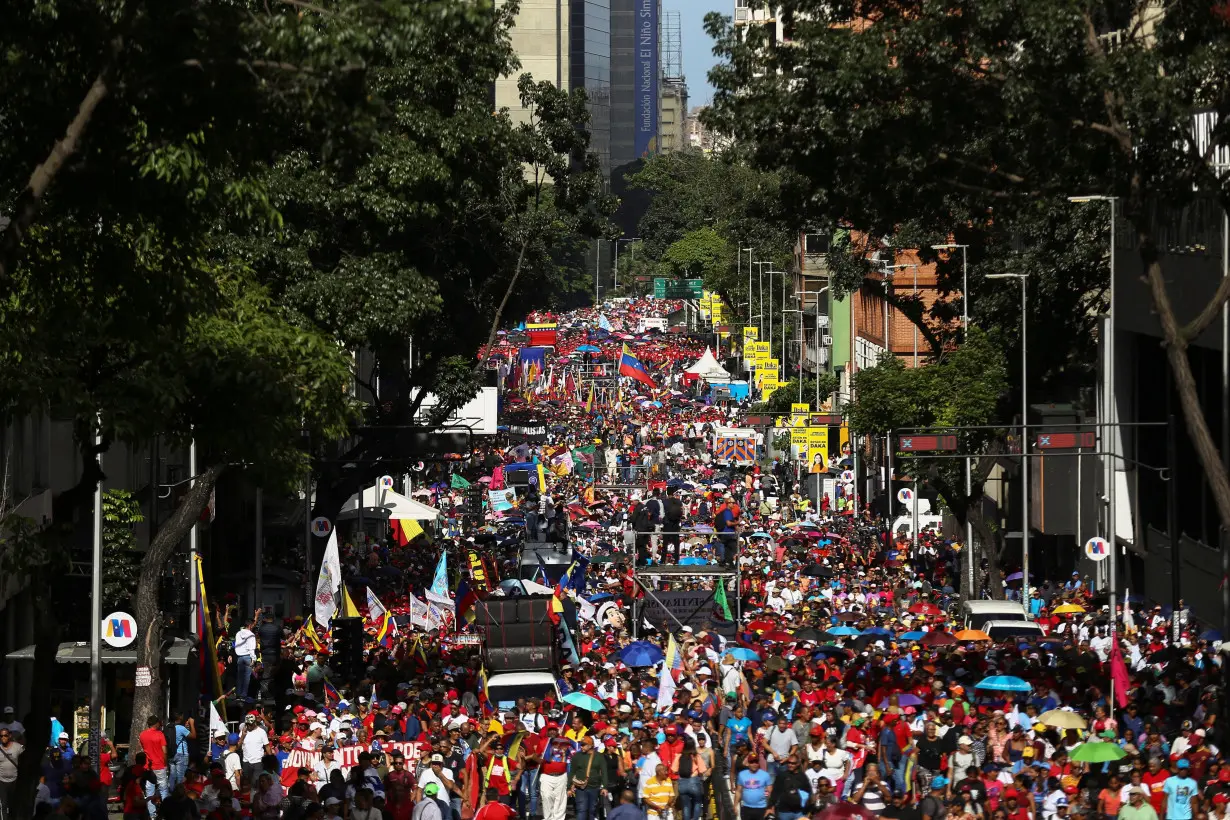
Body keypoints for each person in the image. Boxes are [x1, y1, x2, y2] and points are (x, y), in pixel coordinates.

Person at [568, 734, 610, 820]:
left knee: (592, 810)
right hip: (580, 788)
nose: (581, 747)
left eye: (583, 745)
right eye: (581, 745)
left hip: (594, 787)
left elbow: (604, 772)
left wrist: (605, 787)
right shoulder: (577, 756)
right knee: (581, 810)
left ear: (590, 746)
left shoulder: (599, 756)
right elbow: (572, 772)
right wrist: (569, 787)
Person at [139, 715, 170, 798]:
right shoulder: (160, 734)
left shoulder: (142, 735)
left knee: (149, 789)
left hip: (148, 766)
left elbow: (144, 748)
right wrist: (166, 764)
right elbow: (165, 752)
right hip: (160, 764)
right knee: (163, 788)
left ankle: (151, 811)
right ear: (156, 724)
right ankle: (164, 809)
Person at [735, 754, 772, 820]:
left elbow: (770, 792)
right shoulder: (742, 774)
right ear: (748, 763)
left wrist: (770, 808)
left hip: (761, 808)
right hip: (746, 807)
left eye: (756, 762)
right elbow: (738, 791)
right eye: (752, 762)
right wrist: (735, 805)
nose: (754, 764)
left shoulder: (765, 775)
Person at [233, 615, 258, 702]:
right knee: (246, 677)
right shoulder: (251, 635)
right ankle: (243, 695)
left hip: (239, 657)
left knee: (240, 676)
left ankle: (238, 694)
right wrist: (254, 659)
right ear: (250, 625)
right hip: (248, 657)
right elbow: (251, 647)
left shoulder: (238, 633)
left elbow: (236, 645)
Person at [0, 726, 23, 815]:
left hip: (15, 780)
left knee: (14, 804)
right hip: (1, 781)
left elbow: (23, 762)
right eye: (1, 736)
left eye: (5, 735)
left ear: (9, 735)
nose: (3, 738)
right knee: (4, 804)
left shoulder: (17, 747)